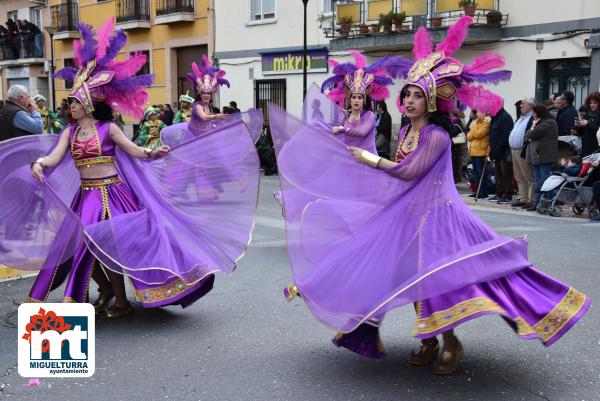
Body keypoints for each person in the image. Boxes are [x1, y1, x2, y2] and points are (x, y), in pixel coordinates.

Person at [271, 16, 589, 375]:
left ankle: (449, 340)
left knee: (436, 281)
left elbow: (408, 171)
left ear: (433, 100)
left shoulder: (436, 136)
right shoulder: (407, 130)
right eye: (406, 93)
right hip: (407, 216)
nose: (407, 100)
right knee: (399, 274)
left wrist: (370, 159)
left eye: (416, 95)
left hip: (439, 218)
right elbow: (399, 174)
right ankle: (427, 339)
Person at [0, 19, 259, 318]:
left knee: (114, 250)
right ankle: (107, 293)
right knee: (79, 247)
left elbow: (134, 150)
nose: (69, 106)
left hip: (113, 195)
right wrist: (38, 164)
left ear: (88, 105)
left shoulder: (108, 129)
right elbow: (54, 157)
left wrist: (153, 152)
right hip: (85, 198)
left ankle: (118, 300)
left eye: (74, 102)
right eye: (70, 102)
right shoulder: (69, 134)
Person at [319, 50, 394, 155]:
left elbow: (361, 132)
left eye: (359, 97)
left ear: (364, 100)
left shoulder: (369, 116)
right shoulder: (344, 117)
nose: (356, 100)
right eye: (354, 97)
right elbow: (338, 137)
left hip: (366, 163)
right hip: (348, 161)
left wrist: (341, 129)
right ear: (350, 99)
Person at [524, 103, 559, 210]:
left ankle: (548, 202)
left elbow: (532, 135)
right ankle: (538, 202)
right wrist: (531, 131)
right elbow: (526, 136)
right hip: (537, 156)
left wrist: (533, 127)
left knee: (544, 180)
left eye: (534, 112)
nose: (532, 114)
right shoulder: (540, 122)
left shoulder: (548, 123)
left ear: (539, 113)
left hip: (544, 156)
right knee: (538, 180)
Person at [509, 97, 535, 209]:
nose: (520, 106)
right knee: (518, 176)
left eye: (523, 104)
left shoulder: (532, 118)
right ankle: (523, 197)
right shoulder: (520, 119)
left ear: (530, 105)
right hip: (514, 149)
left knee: (528, 175)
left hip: (523, 149)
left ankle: (531, 199)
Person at [488, 106, 514, 204]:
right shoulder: (495, 117)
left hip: (503, 150)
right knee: (498, 173)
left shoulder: (505, 117)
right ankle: (499, 192)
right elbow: (492, 134)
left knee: (506, 173)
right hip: (495, 150)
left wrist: (498, 147)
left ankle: (507, 194)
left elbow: (505, 135)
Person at [467, 111, 491, 198]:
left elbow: (479, 134)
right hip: (473, 151)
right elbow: (468, 137)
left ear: (484, 113)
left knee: (482, 173)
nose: (477, 114)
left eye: (479, 112)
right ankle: (477, 191)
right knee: (476, 173)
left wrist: (473, 130)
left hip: (481, 152)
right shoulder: (475, 123)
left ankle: (483, 192)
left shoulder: (487, 123)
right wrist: (474, 131)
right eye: (477, 112)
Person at [574, 91, 600, 157]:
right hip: (585, 146)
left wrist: (587, 124)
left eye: (595, 103)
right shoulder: (588, 114)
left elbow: (598, 131)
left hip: (596, 147)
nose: (592, 105)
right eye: (590, 103)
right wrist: (578, 126)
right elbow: (582, 132)